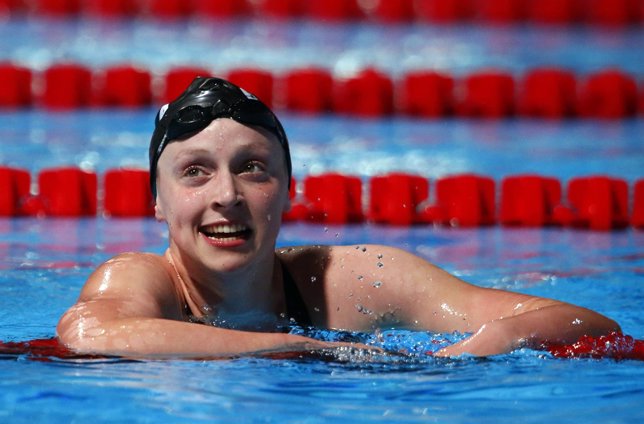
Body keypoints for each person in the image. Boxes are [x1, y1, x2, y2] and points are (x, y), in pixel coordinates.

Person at [56, 77, 620, 359]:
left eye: (252, 169)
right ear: (157, 200)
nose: (227, 194)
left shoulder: (347, 281)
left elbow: (587, 323)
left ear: (286, 190)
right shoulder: (140, 280)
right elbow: (89, 334)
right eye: (195, 172)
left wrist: (497, 339)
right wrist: (299, 347)